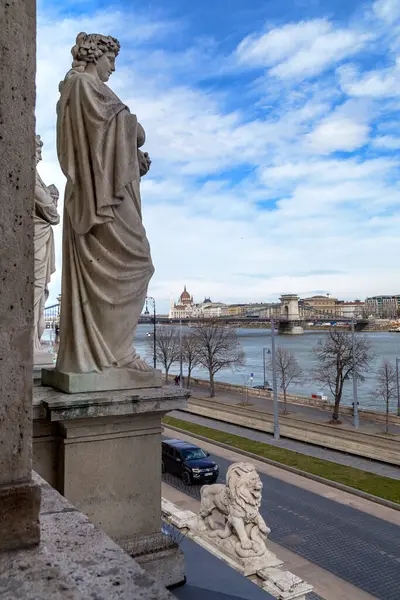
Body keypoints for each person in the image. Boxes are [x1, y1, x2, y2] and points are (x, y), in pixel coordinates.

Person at [56, 32, 154, 374]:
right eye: (110, 59)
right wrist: (132, 138)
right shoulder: (85, 86)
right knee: (139, 263)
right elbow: (131, 130)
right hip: (100, 199)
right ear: (95, 55)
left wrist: (132, 162)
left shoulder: (77, 88)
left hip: (101, 192)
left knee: (132, 265)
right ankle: (117, 354)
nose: (112, 67)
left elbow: (104, 144)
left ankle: (109, 351)